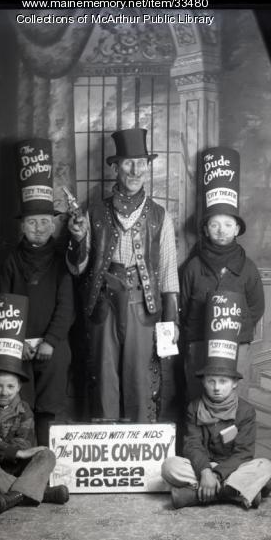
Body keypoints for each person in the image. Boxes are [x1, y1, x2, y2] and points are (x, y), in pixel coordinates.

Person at [66, 128, 180, 423]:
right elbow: (77, 268)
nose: (135, 170)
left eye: (141, 163)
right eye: (128, 163)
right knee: (104, 378)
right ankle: (107, 452)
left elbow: (168, 276)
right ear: (116, 167)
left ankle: (142, 454)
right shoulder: (93, 212)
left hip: (144, 308)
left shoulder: (161, 216)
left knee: (140, 379)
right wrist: (78, 239)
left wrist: (170, 326)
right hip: (103, 305)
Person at [161, 289, 271, 510]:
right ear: (203, 381)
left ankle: (198, 495)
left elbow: (243, 453)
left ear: (234, 383)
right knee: (170, 466)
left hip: (232, 468)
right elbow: (192, 445)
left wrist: (216, 474)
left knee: (265, 466)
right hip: (202, 466)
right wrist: (205, 471)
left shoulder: (245, 411)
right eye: (211, 381)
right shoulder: (194, 407)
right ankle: (236, 492)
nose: (216, 388)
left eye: (223, 382)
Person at [0, 138, 75, 446]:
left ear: (54, 225)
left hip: (53, 345)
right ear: (22, 225)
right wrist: (18, 342)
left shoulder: (62, 260)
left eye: (45, 221)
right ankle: (20, 456)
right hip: (19, 345)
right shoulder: (12, 261)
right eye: (33, 222)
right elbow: (5, 303)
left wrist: (50, 342)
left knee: (49, 405)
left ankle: (46, 455)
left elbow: (66, 305)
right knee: (20, 402)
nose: (40, 228)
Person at [181, 147, 264, 400]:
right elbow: (182, 306)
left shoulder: (247, 267)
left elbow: (256, 307)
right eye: (214, 224)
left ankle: (233, 440)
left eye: (228, 224)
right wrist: (196, 334)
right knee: (198, 401)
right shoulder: (193, 267)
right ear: (205, 229)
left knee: (235, 404)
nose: (221, 230)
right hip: (198, 343)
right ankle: (197, 442)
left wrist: (234, 330)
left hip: (237, 345)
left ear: (237, 229)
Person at [0, 368, 69, 516]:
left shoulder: (24, 409)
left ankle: (13, 496)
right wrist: (17, 452)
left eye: (10, 386)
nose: (4, 392)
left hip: (18, 466)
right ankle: (42, 493)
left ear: (19, 386)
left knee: (47, 454)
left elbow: (24, 443)